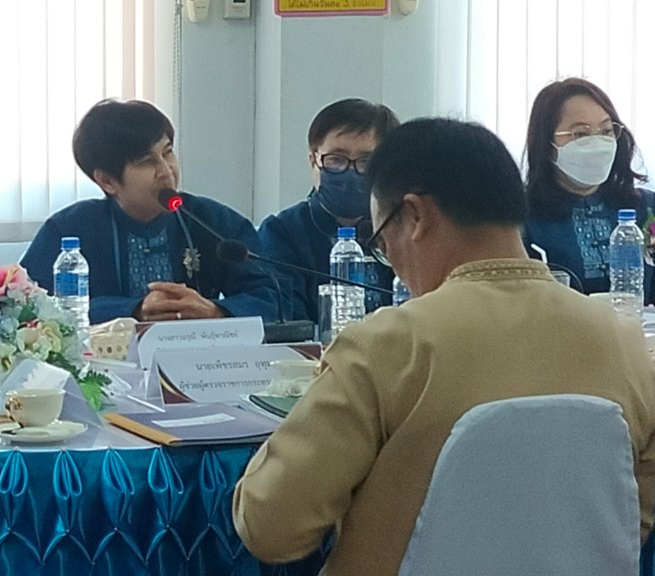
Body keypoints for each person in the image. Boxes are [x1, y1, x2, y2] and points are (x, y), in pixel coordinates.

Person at [232, 118, 655, 575]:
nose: (391, 259)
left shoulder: (384, 346)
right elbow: (629, 518)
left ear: (414, 216)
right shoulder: (625, 342)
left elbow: (270, 527)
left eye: (382, 240)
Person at [20, 99, 277, 324]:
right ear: (107, 181)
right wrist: (133, 310)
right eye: (146, 162)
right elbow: (26, 305)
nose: (166, 171)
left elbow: (274, 296)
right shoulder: (68, 230)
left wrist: (216, 311)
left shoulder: (213, 221)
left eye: (168, 153)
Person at [257, 98, 400, 321]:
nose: (350, 171)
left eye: (365, 161)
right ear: (313, 160)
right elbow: (286, 320)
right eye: (336, 159)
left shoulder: (404, 230)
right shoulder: (280, 232)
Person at [521, 77, 655, 300]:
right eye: (580, 134)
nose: (598, 143)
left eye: (606, 131)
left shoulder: (646, 207)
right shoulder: (521, 217)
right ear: (547, 144)